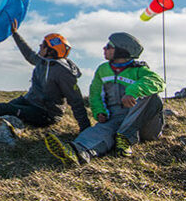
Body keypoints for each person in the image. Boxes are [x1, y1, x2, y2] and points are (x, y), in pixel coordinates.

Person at [0, 20, 90, 140]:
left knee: (1, 108)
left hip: (45, 113)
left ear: (51, 50)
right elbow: (28, 53)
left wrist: (85, 130)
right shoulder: (43, 61)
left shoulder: (62, 72)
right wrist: (15, 34)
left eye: (43, 44)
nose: (39, 46)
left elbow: (76, 101)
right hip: (29, 102)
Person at [44, 32, 165, 165]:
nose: (104, 49)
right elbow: (95, 93)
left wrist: (132, 92)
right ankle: (78, 151)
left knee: (153, 96)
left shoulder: (139, 70)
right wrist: (99, 111)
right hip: (116, 120)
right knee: (99, 131)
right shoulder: (102, 69)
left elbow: (158, 82)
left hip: (145, 127)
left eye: (109, 46)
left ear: (121, 50)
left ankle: (125, 136)